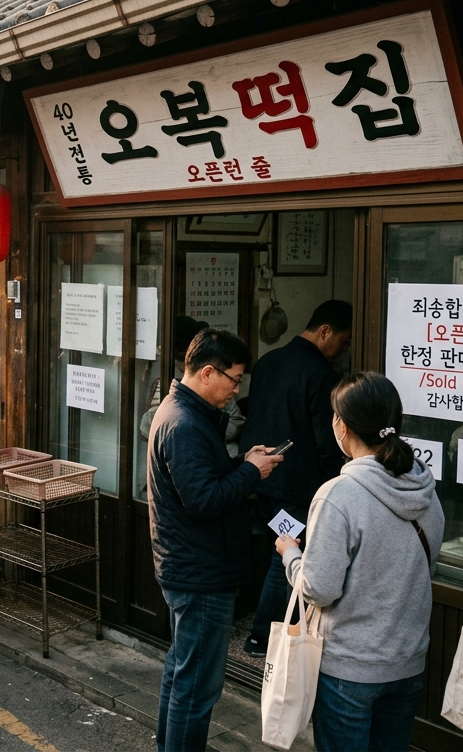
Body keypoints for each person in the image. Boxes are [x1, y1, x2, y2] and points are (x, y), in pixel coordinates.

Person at [277, 372, 442, 752]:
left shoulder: (339, 494)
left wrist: (290, 555)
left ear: (342, 425)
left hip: (348, 668)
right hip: (408, 661)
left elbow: (319, 588)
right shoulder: (425, 488)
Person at [146, 329, 283, 752]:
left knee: (182, 673)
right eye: (234, 379)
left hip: (191, 564)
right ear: (207, 373)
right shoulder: (184, 423)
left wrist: (243, 461)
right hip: (200, 572)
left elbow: (201, 479)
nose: (236, 389)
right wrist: (250, 473)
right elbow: (203, 500)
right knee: (197, 687)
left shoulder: (184, 412)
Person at [240, 300, 352, 656]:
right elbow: (327, 439)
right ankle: (266, 636)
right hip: (301, 487)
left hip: (263, 476)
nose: (345, 350)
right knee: (288, 555)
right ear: (324, 332)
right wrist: (335, 482)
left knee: (282, 550)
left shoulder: (268, 361)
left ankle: (278, 633)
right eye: (344, 342)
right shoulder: (321, 375)